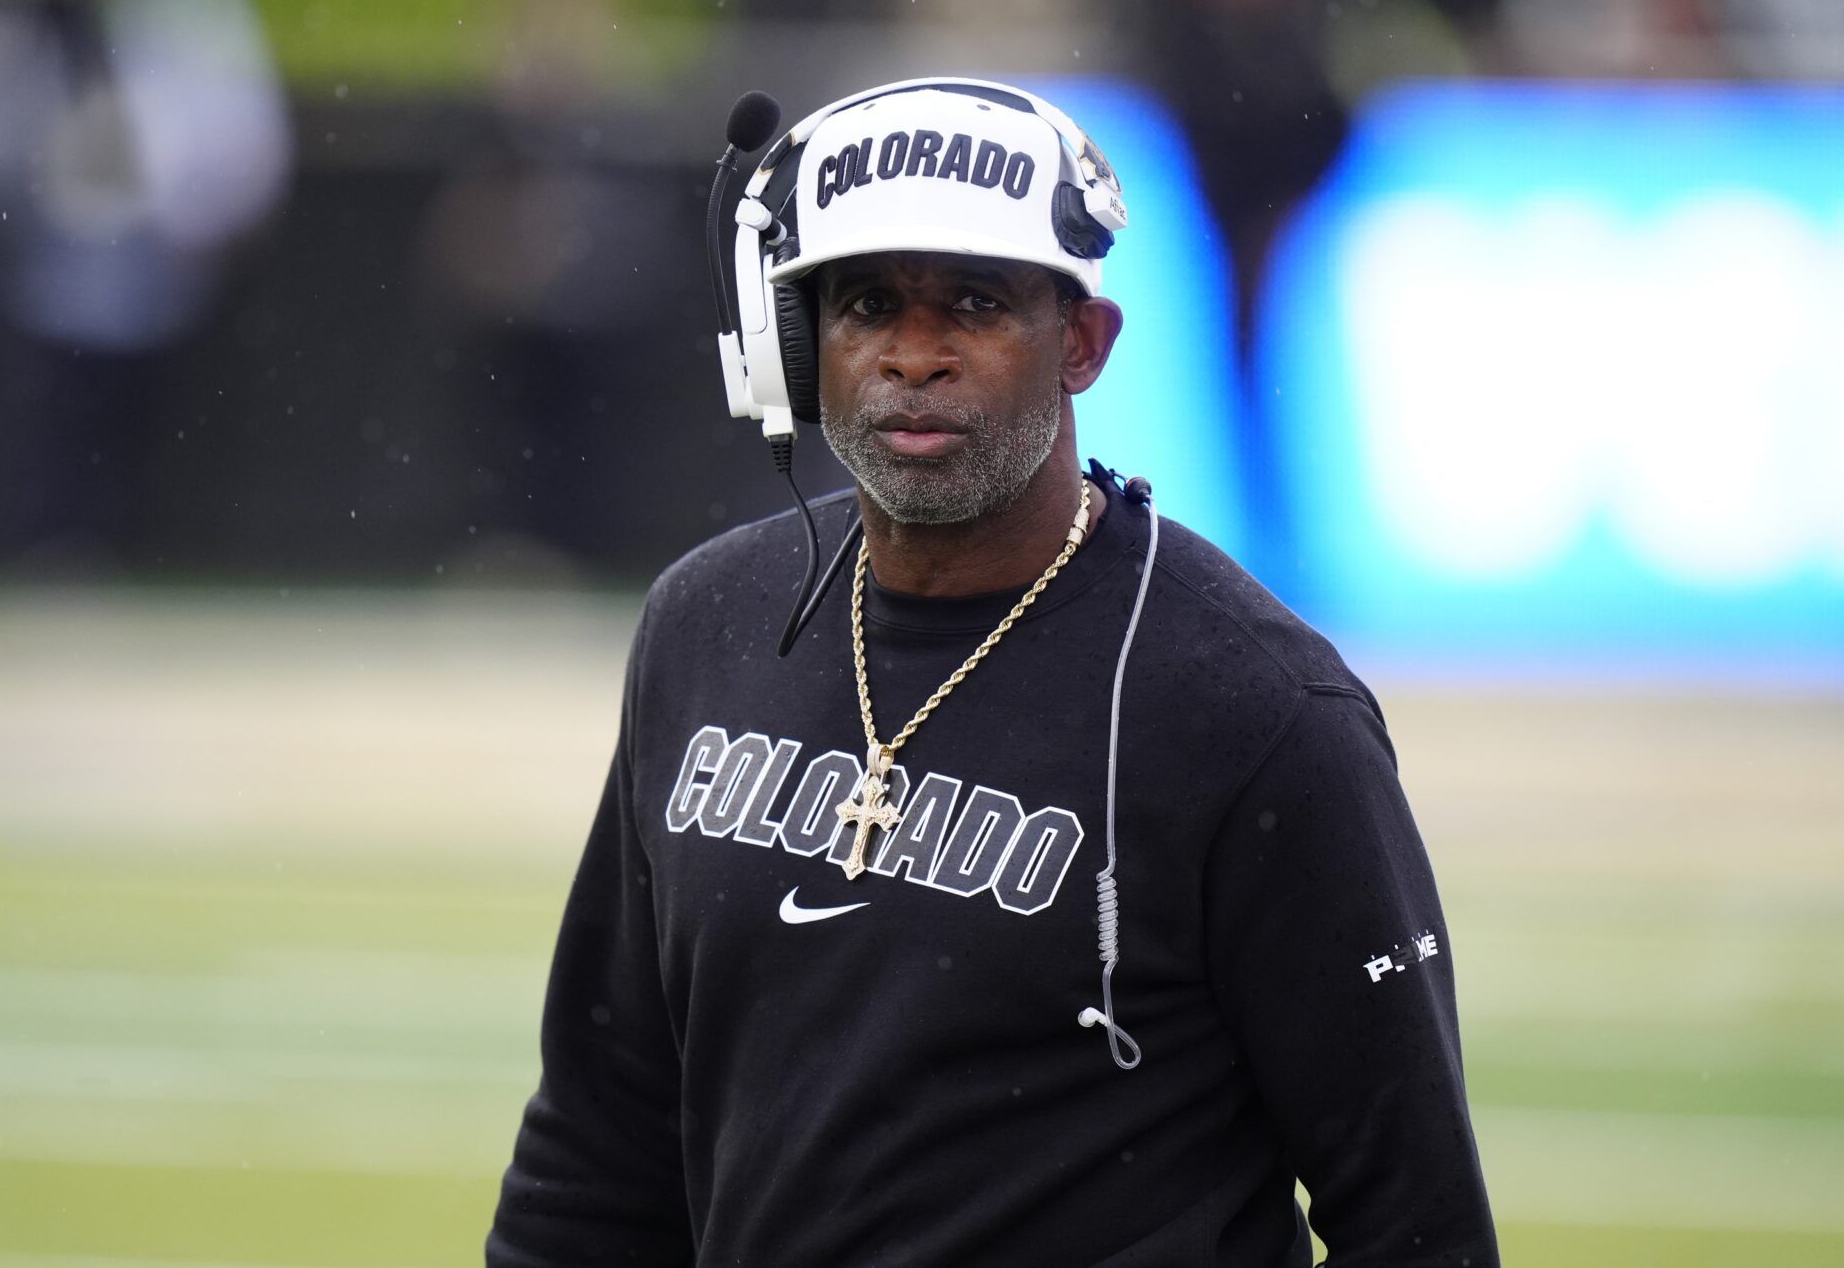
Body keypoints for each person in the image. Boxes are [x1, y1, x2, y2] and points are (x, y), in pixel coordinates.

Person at [487, 78, 1498, 1267]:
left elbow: (1415, 1220)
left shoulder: (1258, 707)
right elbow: (598, 1142)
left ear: (1081, 342)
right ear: (795, 349)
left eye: (973, 301)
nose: (915, 355)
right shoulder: (702, 625)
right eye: (867, 304)